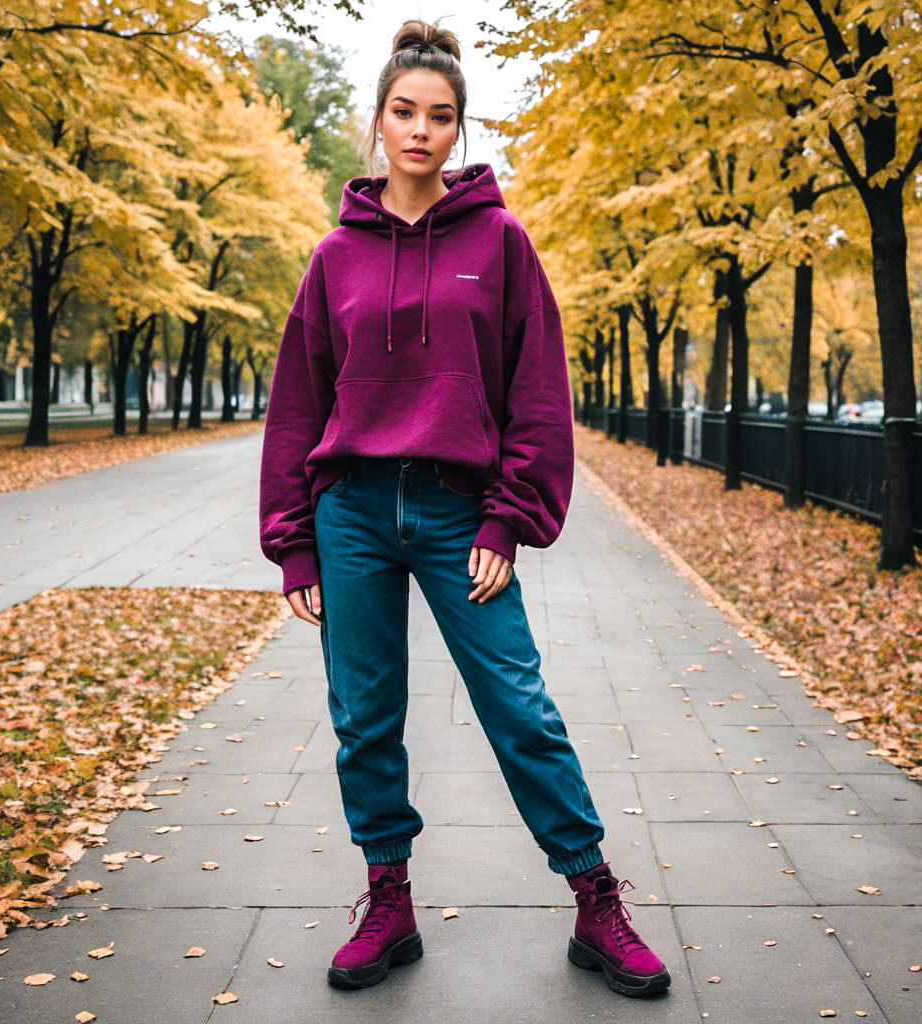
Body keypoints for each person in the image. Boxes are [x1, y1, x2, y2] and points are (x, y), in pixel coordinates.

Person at [258, 17, 670, 999]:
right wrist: (294, 546)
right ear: (379, 120)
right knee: (364, 715)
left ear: (458, 128)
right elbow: (296, 404)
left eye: (440, 116)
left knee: (519, 706)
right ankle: (388, 900)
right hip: (350, 513)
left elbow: (535, 390)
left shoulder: (501, 240)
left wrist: (508, 516)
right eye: (404, 111)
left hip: (457, 515)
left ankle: (594, 898)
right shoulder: (334, 257)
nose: (420, 130)